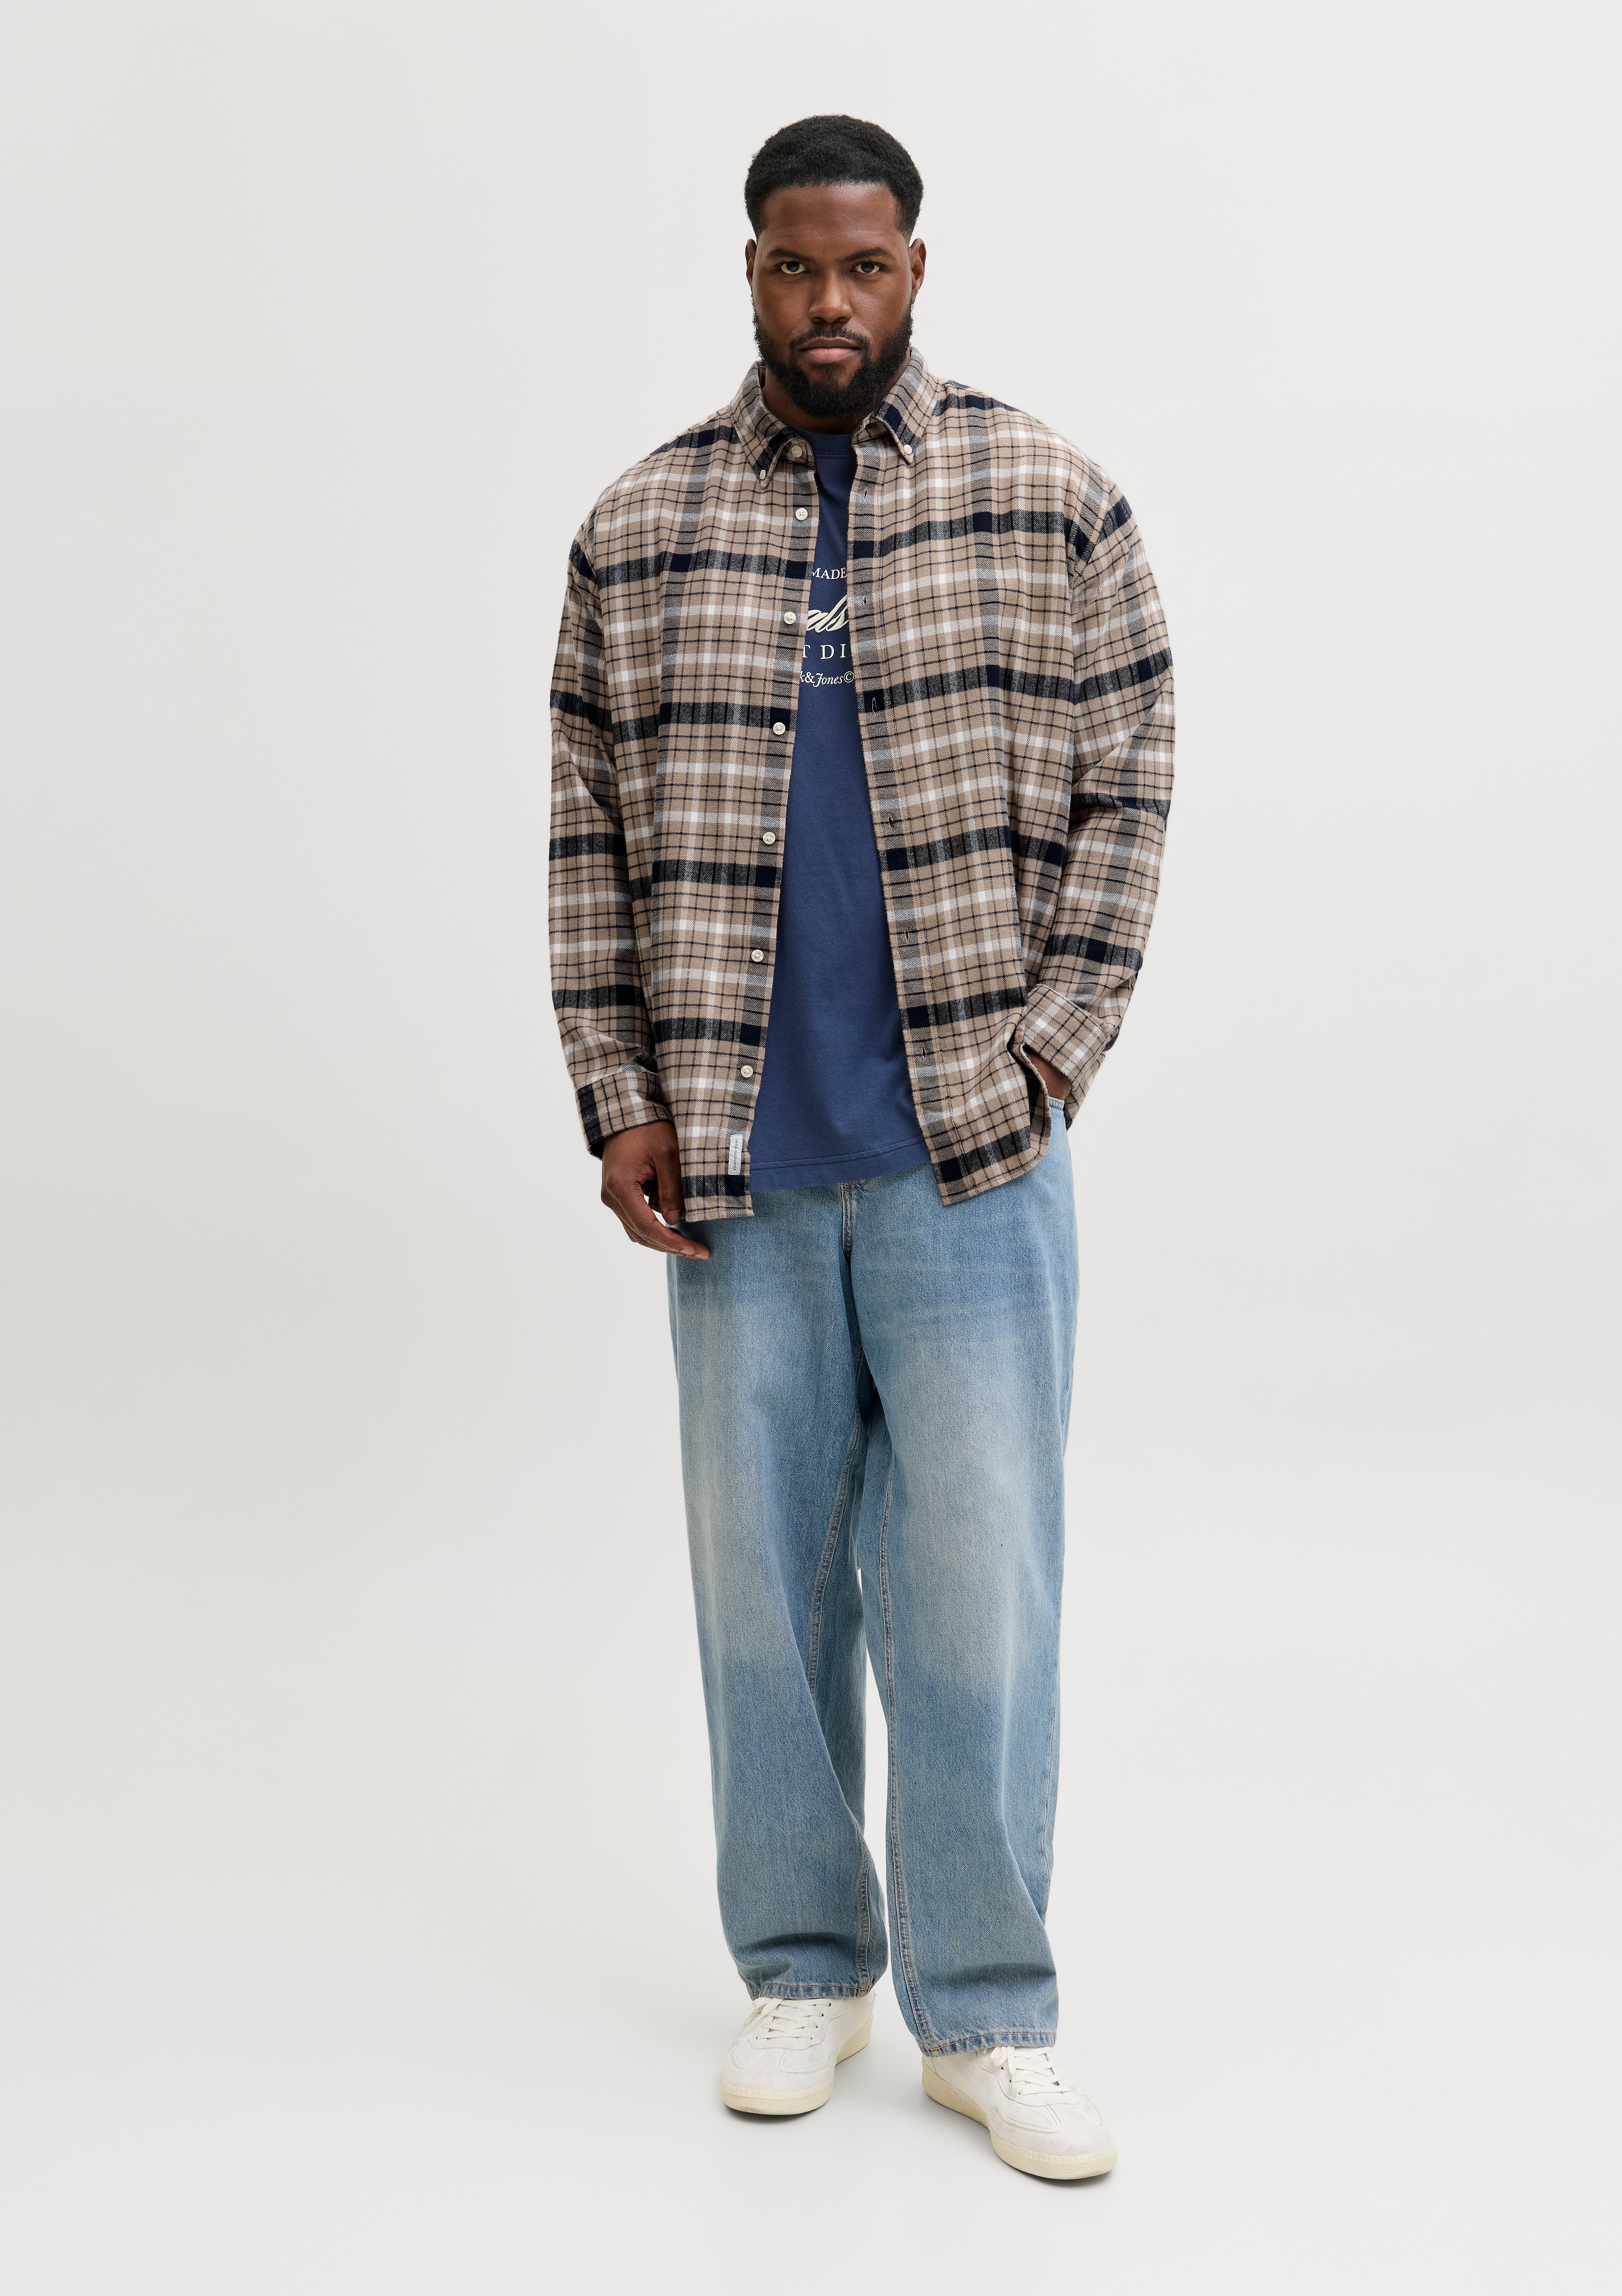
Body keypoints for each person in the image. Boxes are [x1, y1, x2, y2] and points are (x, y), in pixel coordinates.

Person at [549, 114, 1173, 2180]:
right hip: (733, 1156)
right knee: (763, 1589)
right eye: (798, 266)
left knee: (981, 1589)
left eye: (868, 266)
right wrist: (620, 1090)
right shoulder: (641, 527)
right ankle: (803, 1965)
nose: (833, 303)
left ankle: (989, 2015)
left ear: (918, 266)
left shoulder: (1047, 496)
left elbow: (1132, 776)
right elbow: (587, 833)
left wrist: (1053, 1052)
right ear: (751, 268)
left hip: (968, 1160)